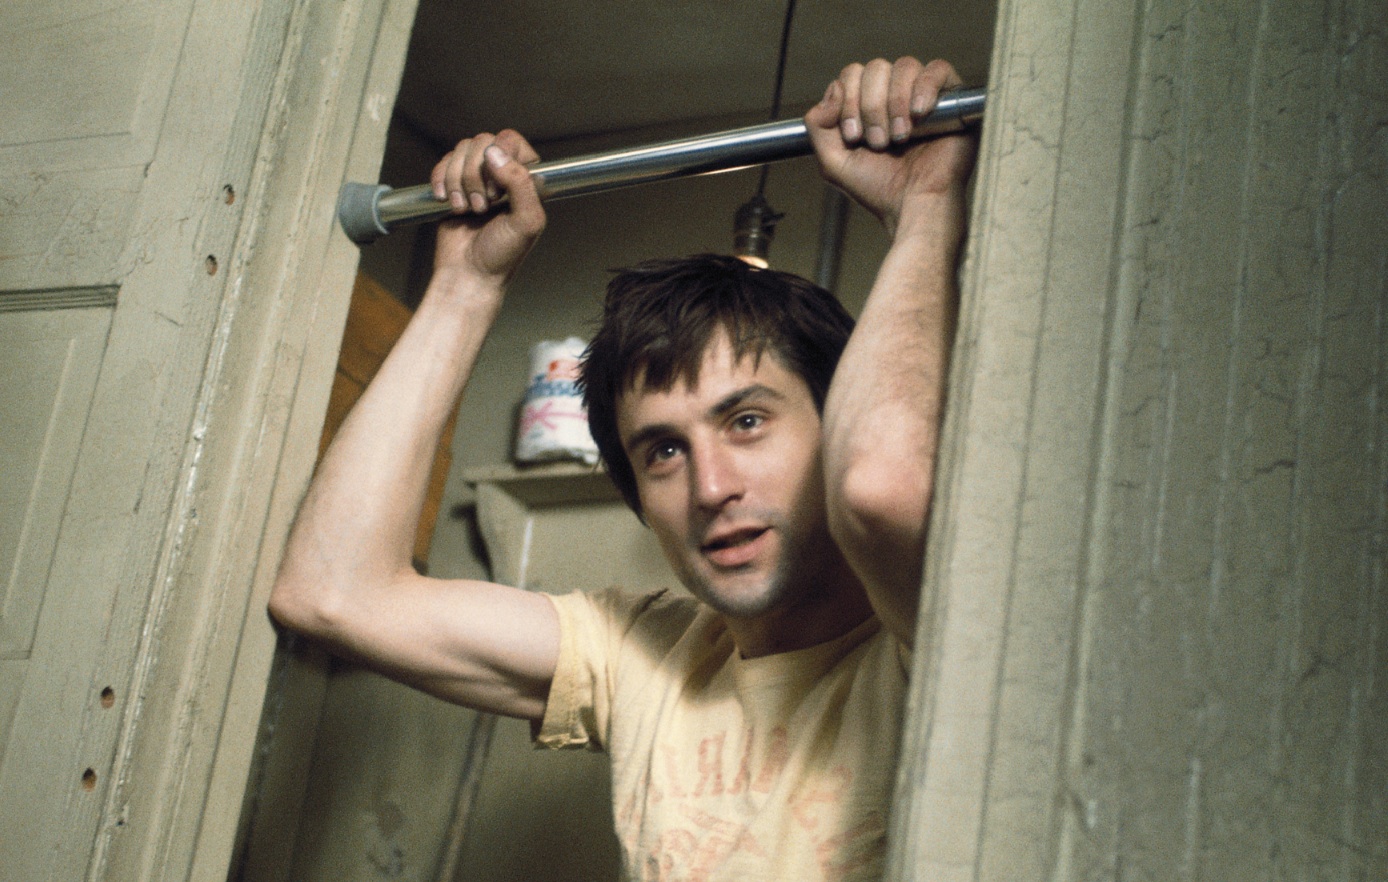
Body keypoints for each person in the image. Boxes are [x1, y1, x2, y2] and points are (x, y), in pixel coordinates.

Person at [270, 56, 977, 881]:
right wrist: (463, 288)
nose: (711, 488)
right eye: (664, 450)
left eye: (747, 422)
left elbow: (884, 487)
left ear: (837, 426)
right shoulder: (647, 656)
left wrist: (927, 210)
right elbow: (331, 591)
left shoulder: (934, 631)